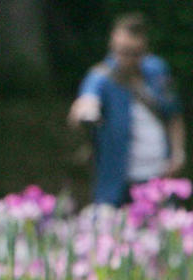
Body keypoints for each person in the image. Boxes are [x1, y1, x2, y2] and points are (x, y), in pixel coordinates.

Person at [69, 13, 185, 207]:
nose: (125, 58)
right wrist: (85, 112)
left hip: (159, 177)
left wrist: (178, 152)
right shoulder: (101, 77)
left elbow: (173, 114)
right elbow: (87, 101)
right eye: (120, 51)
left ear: (144, 49)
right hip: (118, 183)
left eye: (133, 52)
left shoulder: (157, 70)